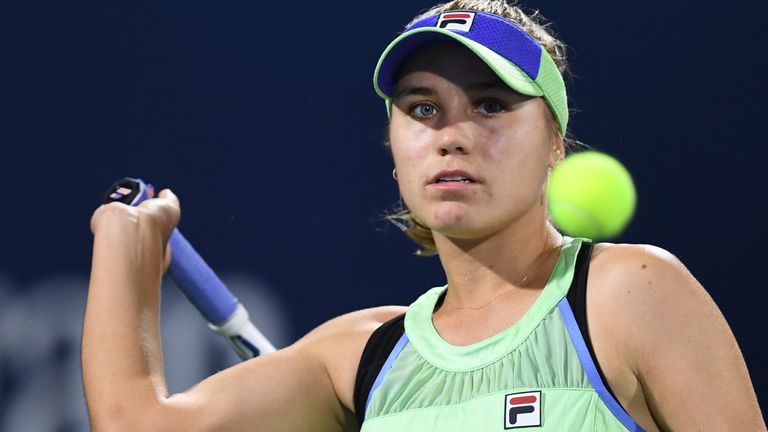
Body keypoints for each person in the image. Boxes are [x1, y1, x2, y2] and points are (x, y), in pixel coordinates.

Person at [82, 1, 765, 430]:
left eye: (492, 105)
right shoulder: (358, 358)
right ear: (394, 146)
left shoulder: (631, 294)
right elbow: (135, 424)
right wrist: (122, 242)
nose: (452, 133)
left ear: (556, 140)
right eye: (422, 109)